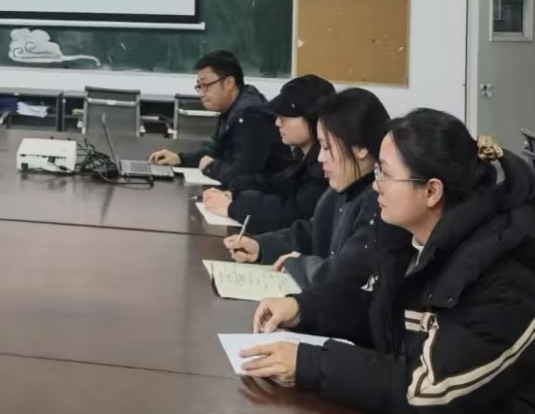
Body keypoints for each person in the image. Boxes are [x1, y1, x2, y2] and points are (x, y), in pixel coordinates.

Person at [242, 110, 535, 414]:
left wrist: (309, 363)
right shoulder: (421, 245)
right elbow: (381, 313)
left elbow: (429, 390)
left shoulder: (503, 278)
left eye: (386, 173)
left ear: (431, 192)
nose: (375, 184)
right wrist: (303, 309)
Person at [221, 88, 407, 290]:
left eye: (327, 147)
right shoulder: (337, 192)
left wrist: (298, 265)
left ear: (360, 148)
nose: (320, 158)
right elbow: (311, 234)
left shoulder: (380, 204)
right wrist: (261, 247)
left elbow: (347, 273)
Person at [202, 74, 335, 233]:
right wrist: (234, 193)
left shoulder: (325, 167)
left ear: (312, 118)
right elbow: (275, 184)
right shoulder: (303, 158)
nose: (278, 123)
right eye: (278, 116)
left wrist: (233, 208)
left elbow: (293, 215)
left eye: (285, 117)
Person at [148, 50, 290, 184]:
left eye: (206, 85)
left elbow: (241, 176)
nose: (201, 93)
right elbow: (215, 152)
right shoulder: (232, 106)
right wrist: (180, 159)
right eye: (199, 86)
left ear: (229, 83)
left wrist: (210, 167)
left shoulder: (249, 115)